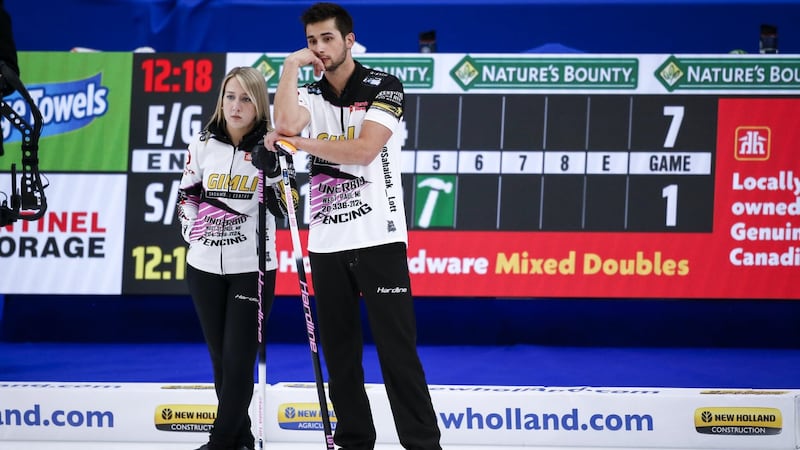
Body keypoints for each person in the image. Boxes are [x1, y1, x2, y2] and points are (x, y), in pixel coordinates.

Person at [263, 3, 442, 449]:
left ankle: (422, 443)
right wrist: (289, 67)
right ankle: (354, 440)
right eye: (311, 41)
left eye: (327, 38)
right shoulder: (307, 91)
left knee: (397, 351)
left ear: (348, 39)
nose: (319, 48)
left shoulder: (385, 86)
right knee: (340, 355)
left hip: (379, 238)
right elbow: (283, 122)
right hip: (326, 242)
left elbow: (363, 151)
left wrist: (297, 143)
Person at [178, 66, 289, 450]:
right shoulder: (203, 144)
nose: (236, 106)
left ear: (259, 105)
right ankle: (241, 437)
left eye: (246, 98)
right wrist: (193, 231)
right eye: (230, 97)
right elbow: (186, 196)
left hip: (252, 269)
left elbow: (288, 211)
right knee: (221, 360)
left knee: (239, 357)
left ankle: (221, 441)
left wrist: (273, 171)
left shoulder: (276, 146)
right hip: (203, 267)